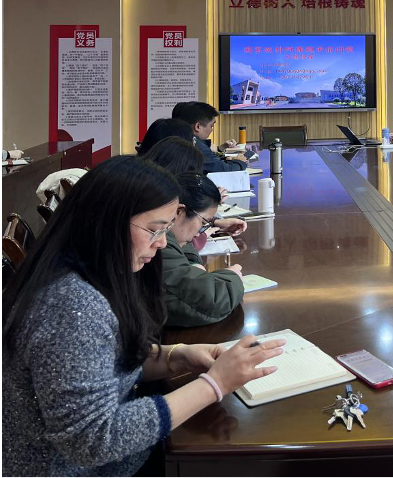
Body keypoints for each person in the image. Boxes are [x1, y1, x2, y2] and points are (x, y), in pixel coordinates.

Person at [2, 156, 285, 477]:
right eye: (154, 230)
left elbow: (103, 363)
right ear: (106, 223)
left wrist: (176, 356)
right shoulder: (70, 306)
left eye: (166, 229)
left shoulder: (90, 274)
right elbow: (93, 440)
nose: (162, 243)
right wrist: (214, 384)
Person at [162, 173, 247, 328]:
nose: (199, 233)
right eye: (203, 222)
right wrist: (232, 277)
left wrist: (192, 263)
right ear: (178, 211)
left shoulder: (168, 235)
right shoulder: (160, 242)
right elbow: (212, 301)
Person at [176, 102, 247, 173]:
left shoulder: (181, 138)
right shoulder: (195, 145)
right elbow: (225, 170)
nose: (211, 130)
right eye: (211, 126)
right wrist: (239, 161)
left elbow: (210, 161)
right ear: (198, 126)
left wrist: (220, 150)